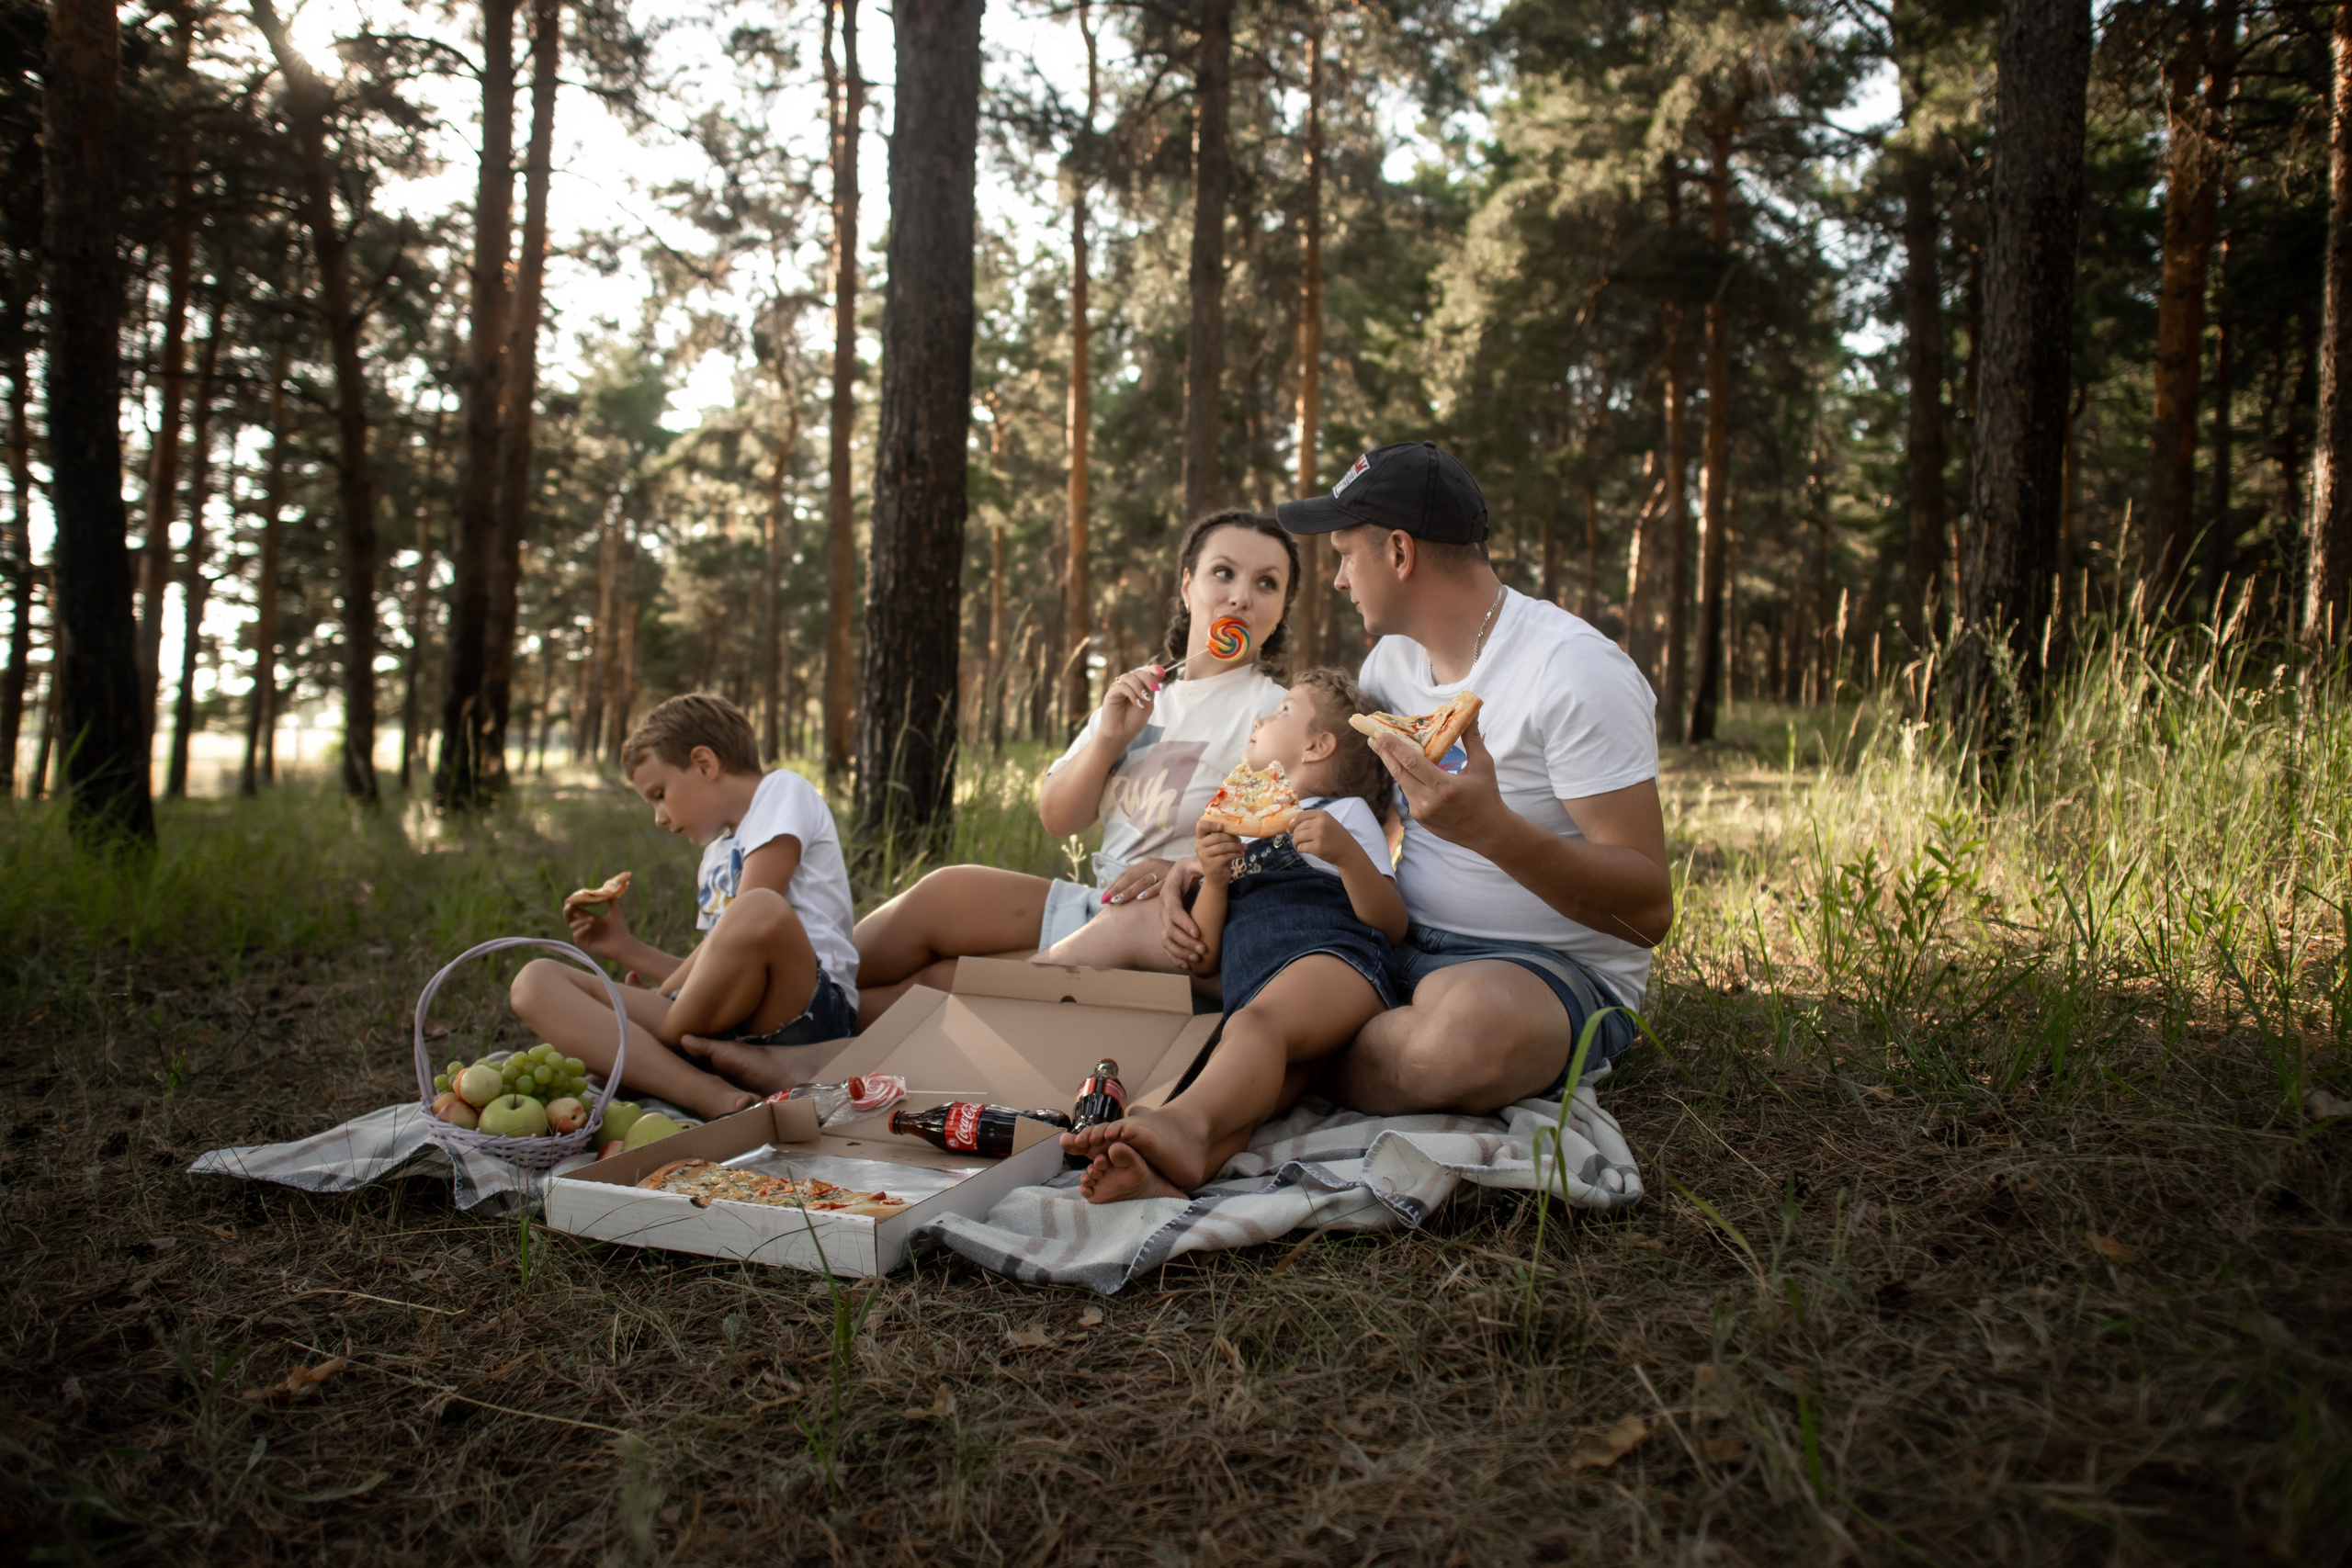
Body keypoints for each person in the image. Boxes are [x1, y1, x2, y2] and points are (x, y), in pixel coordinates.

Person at [1166, 441, 1673, 1115]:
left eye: (1347, 555)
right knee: (1191, 942)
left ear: (1399, 553)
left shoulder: (1574, 673)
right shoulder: (1390, 666)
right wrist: (1198, 861)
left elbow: (1648, 912)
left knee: (1461, 1040)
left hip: (1538, 971)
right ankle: (1274, 1048)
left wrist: (1496, 834)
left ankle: (1264, 1054)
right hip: (1394, 939)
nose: (1340, 580)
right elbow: (1340, 809)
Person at [852, 509, 1298, 1023]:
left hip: (1171, 927)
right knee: (939, 893)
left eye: (1266, 583)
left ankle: (808, 1024)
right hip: (1100, 900)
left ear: (1282, 607)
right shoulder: (1144, 696)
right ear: (1186, 586)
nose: (1241, 596)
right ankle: (810, 992)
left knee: (938, 982)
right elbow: (1059, 819)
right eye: (1223, 572)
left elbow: (1284, 856)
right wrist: (1108, 738)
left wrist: (1185, 870)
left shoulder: (1276, 715)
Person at [1060, 669, 1405, 1201]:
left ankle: (1178, 1122)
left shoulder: (1341, 815)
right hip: (1253, 981)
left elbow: (1391, 923)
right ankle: (1176, 1169)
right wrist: (1216, 880)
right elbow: (1204, 959)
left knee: (1254, 1028)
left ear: (1317, 746)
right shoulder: (1235, 827)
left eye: (1284, 710)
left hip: (1336, 958)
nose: (1263, 717)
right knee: (1259, 1087)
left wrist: (1345, 855)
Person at [509, 694, 861, 1117]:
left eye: (659, 794)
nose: (658, 817)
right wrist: (626, 948)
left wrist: (660, 998)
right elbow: (718, 966)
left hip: (807, 1007)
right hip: (730, 1023)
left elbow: (750, 919)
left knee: (756, 909)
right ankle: (701, 1089)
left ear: (704, 764)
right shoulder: (716, 854)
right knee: (535, 981)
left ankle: (647, 1052)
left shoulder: (781, 791)